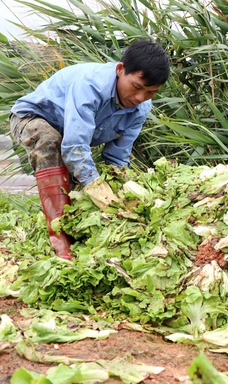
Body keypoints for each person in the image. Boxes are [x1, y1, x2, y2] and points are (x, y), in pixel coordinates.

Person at [9, 40, 171, 260]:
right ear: (120, 69)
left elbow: (117, 157)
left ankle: (77, 235)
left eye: (151, 92)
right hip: (31, 119)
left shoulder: (140, 108)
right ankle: (60, 242)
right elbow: (74, 146)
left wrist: (117, 194)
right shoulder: (91, 85)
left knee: (77, 192)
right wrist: (96, 186)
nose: (140, 98)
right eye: (137, 87)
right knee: (50, 141)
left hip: (68, 134)